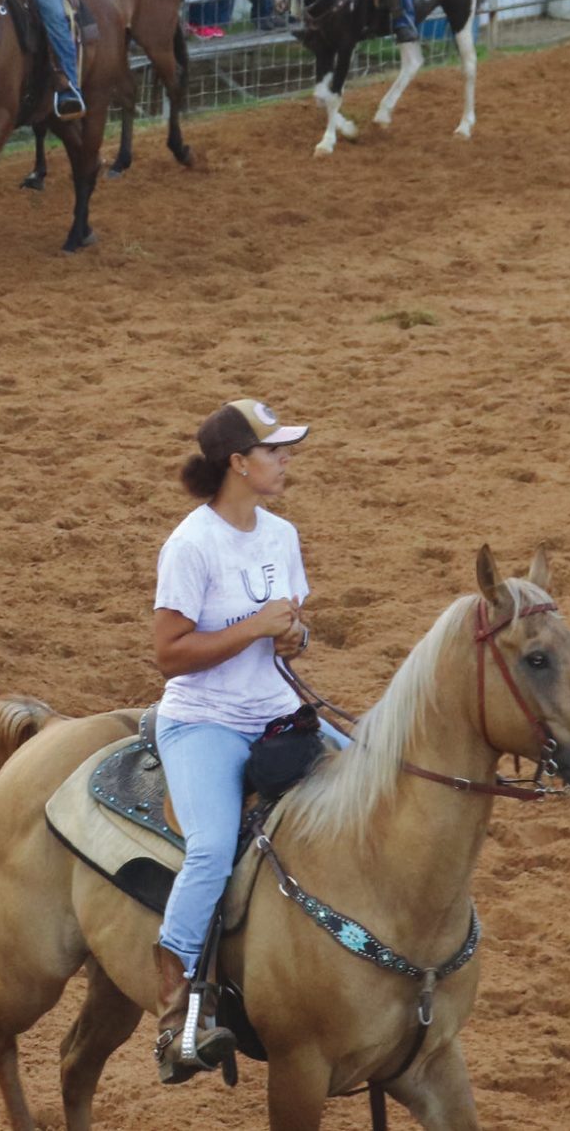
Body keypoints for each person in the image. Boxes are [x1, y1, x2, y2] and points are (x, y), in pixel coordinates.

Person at [151, 398, 338, 1083]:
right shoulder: (191, 544)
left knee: (377, 780)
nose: (285, 461)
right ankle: (174, 998)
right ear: (238, 462)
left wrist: (293, 634)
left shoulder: (279, 535)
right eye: (274, 452)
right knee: (207, 847)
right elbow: (169, 654)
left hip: (276, 712)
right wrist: (257, 627)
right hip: (204, 722)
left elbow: (290, 626)